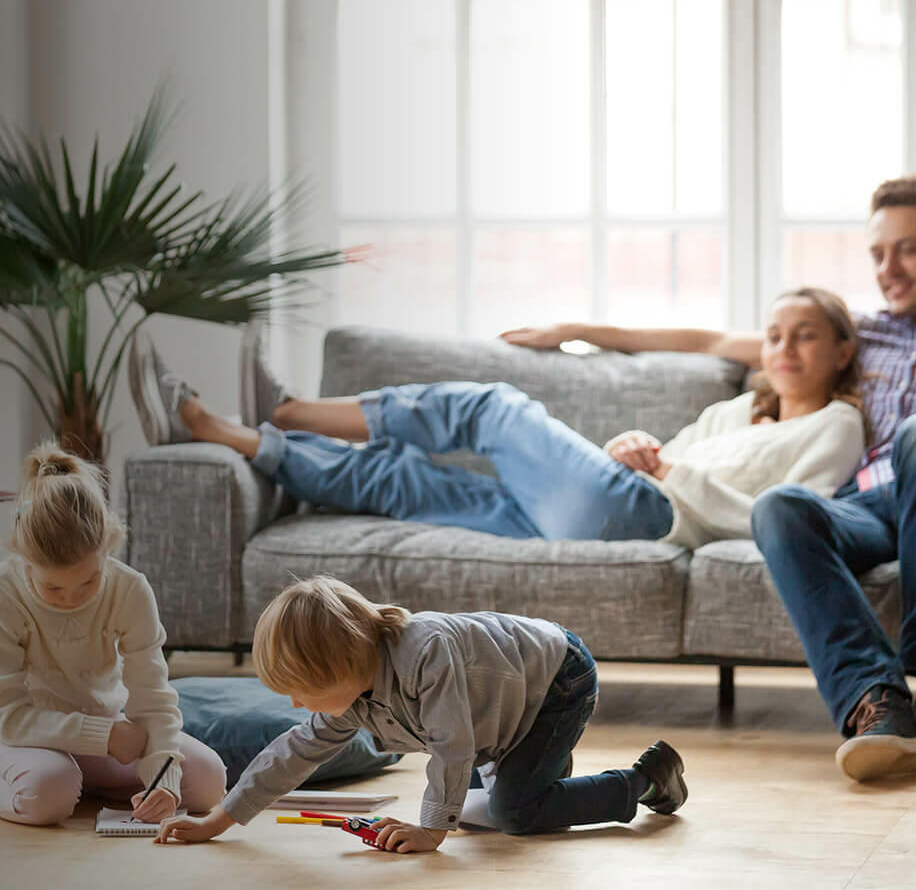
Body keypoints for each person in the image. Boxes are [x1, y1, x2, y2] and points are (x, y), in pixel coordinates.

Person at [504, 174, 916, 783]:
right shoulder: (859, 332)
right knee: (780, 506)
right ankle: (874, 706)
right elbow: (707, 339)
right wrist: (578, 331)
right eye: (878, 252)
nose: (888, 267)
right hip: (865, 507)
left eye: (907, 249)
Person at [128, 287, 863, 552]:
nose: (785, 348)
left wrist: (665, 469)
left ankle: (285, 408)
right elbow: (653, 456)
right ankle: (238, 436)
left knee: (490, 407)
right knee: (404, 481)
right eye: (775, 335)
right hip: (610, 498)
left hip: (645, 513)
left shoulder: (837, 426)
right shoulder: (737, 408)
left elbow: (791, 516)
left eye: (805, 334)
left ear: (841, 349)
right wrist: (638, 444)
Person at [154, 574, 687, 850]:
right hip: (500, 712)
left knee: (511, 816)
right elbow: (291, 754)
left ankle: (644, 781)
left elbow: (452, 745)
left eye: (303, 692)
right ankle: (540, 777)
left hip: (555, 681)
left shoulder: (424, 650)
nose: (296, 706)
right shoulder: (351, 698)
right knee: (478, 816)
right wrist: (218, 820)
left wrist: (431, 830)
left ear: (342, 668)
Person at [0, 442, 227, 826]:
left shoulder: (131, 588)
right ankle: (60, 778)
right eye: (53, 589)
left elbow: (152, 700)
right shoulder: (6, 592)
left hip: (105, 732)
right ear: (24, 558)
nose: (72, 599)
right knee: (46, 795)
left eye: (89, 581)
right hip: (23, 735)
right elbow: (8, 714)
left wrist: (163, 781)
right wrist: (103, 735)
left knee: (208, 782)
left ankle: (78, 780)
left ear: (109, 546)